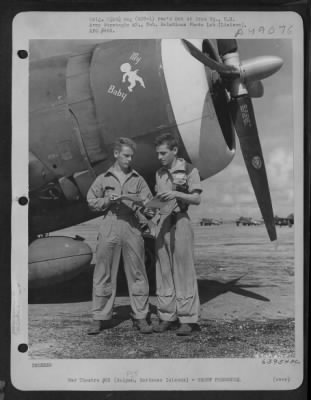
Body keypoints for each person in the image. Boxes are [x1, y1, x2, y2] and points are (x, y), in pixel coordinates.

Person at [86, 137, 153, 335]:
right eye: (126, 155)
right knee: (103, 273)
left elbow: (151, 207)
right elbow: (90, 201)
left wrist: (144, 204)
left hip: (132, 226)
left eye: (131, 156)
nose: (129, 160)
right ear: (116, 154)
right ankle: (99, 317)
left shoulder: (138, 179)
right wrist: (107, 200)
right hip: (110, 223)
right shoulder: (103, 178)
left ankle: (140, 316)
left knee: (138, 273)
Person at [153, 132, 202, 336]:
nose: (159, 157)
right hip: (163, 222)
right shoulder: (159, 173)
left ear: (174, 151)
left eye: (163, 153)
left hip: (181, 220)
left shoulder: (190, 170)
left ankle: (187, 319)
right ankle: (166, 316)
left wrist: (176, 194)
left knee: (184, 271)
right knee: (163, 270)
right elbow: (159, 198)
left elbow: (197, 199)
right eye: (158, 153)